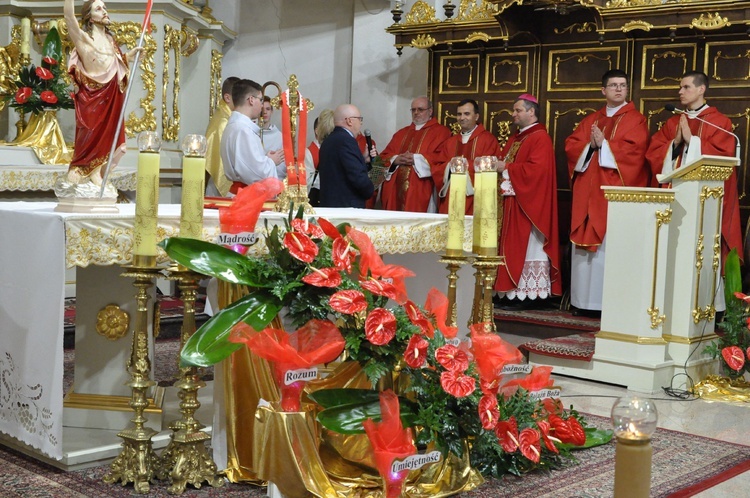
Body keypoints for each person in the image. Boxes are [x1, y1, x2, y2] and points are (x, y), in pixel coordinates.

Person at [565, 69, 650, 318]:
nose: (619, 89)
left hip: (613, 196)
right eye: (613, 85)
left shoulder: (636, 120)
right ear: (603, 90)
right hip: (586, 195)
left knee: (609, 248)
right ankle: (582, 302)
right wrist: (590, 145)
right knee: (585, 251)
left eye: (622, 85)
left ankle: (608, 304)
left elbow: (636, 152)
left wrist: (606, 145)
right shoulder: (591, 119)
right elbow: (571, 146)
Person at [646, 70, 743, 270]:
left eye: (686, 87)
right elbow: (653, 153)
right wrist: (675, 143)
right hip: (674, 197)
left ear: (701, 89)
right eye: (680, 87)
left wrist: (693, 141)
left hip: (705, 200)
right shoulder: (673, 121)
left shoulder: (719, 122)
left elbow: (724, 159)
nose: (680, 91)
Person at [494, 94, 561, 308]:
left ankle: (529, 294)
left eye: (518, 110)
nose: (513, 114)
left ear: (531, 112)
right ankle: (508, 291)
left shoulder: (539, 137)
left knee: (528, 247)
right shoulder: (517, 137)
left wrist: (506, 168)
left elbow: (537, 172)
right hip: (512, 202)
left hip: (529, 207)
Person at [63, 0, 141, 186]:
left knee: (107, 134)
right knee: (88, 132)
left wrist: (128, 56)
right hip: (90, 96)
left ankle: (96, 171)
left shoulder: (111, 42)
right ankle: (79, 167)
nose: (105, 11)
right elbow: (69, 17)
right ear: (89, 17)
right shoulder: (83, 39)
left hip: (111, 95)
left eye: (105, 8)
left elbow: (113, 63)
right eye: (99, 8)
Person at [379, 96, 451, 212]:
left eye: (420, 109)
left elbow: (443, 159)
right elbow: (383, 157)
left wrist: (416, 159)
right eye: (413, 110)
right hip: (396, 191)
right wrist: (395, 160)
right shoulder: (401, 133)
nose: (416, 113)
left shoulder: (441, 132)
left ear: (430, 111)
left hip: (422, 189)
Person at [433, 99, 502, 214]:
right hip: (451, 198)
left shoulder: (487, 140)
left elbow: (491, 170)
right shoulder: (450, 142)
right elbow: (437, 167)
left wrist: (463, 165)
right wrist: (449, 166)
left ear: (476, 116)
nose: (462, 118)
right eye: (459, 114)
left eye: (467, 114)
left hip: (476, 199)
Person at [221, 79, 284, 194]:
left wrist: (264, 158)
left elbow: (246, 164)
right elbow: (255, 174)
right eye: (260, 100)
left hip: (239, 193)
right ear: (251, 100)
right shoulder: (243, 131)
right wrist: (271, 162)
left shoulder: (233, 126)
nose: (261, 105)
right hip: (246, 196)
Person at [318, 104, 375, 208]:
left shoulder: (328, 141)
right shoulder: (346, 141)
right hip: (346, 208)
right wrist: (370, 189)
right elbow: (357, 177)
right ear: (349, 121)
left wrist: (363, 160)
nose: (361, 123)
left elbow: (340, 171)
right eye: (359, 119)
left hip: (330, 205)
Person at [204, 76, 239, 196]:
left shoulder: (226, 117)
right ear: (227, 97)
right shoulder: (223, 122)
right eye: (238, 96)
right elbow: (221, 161)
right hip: (219, 187)